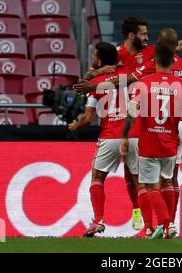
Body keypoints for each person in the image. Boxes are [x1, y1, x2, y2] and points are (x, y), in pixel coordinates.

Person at [67, 42, 153, 237]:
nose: (93, 59)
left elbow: (89, 119)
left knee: (98, 178)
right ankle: (148, 227)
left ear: (100, 59)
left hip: (110, 137)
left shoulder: (95, 84)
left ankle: (98, 221)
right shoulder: (130, 72)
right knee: (140, 183)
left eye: (95, 56)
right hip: (134, 135)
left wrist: (76, 126)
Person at [119, 43, 182, 239]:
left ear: (153, 60)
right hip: (171, 139)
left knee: (146, 185)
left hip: (146, 138)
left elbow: (131, 111)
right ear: (173, 61)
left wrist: (124, 135)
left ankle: (161, 224)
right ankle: (168, 223)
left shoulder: (142, 82)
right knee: (169, 180)